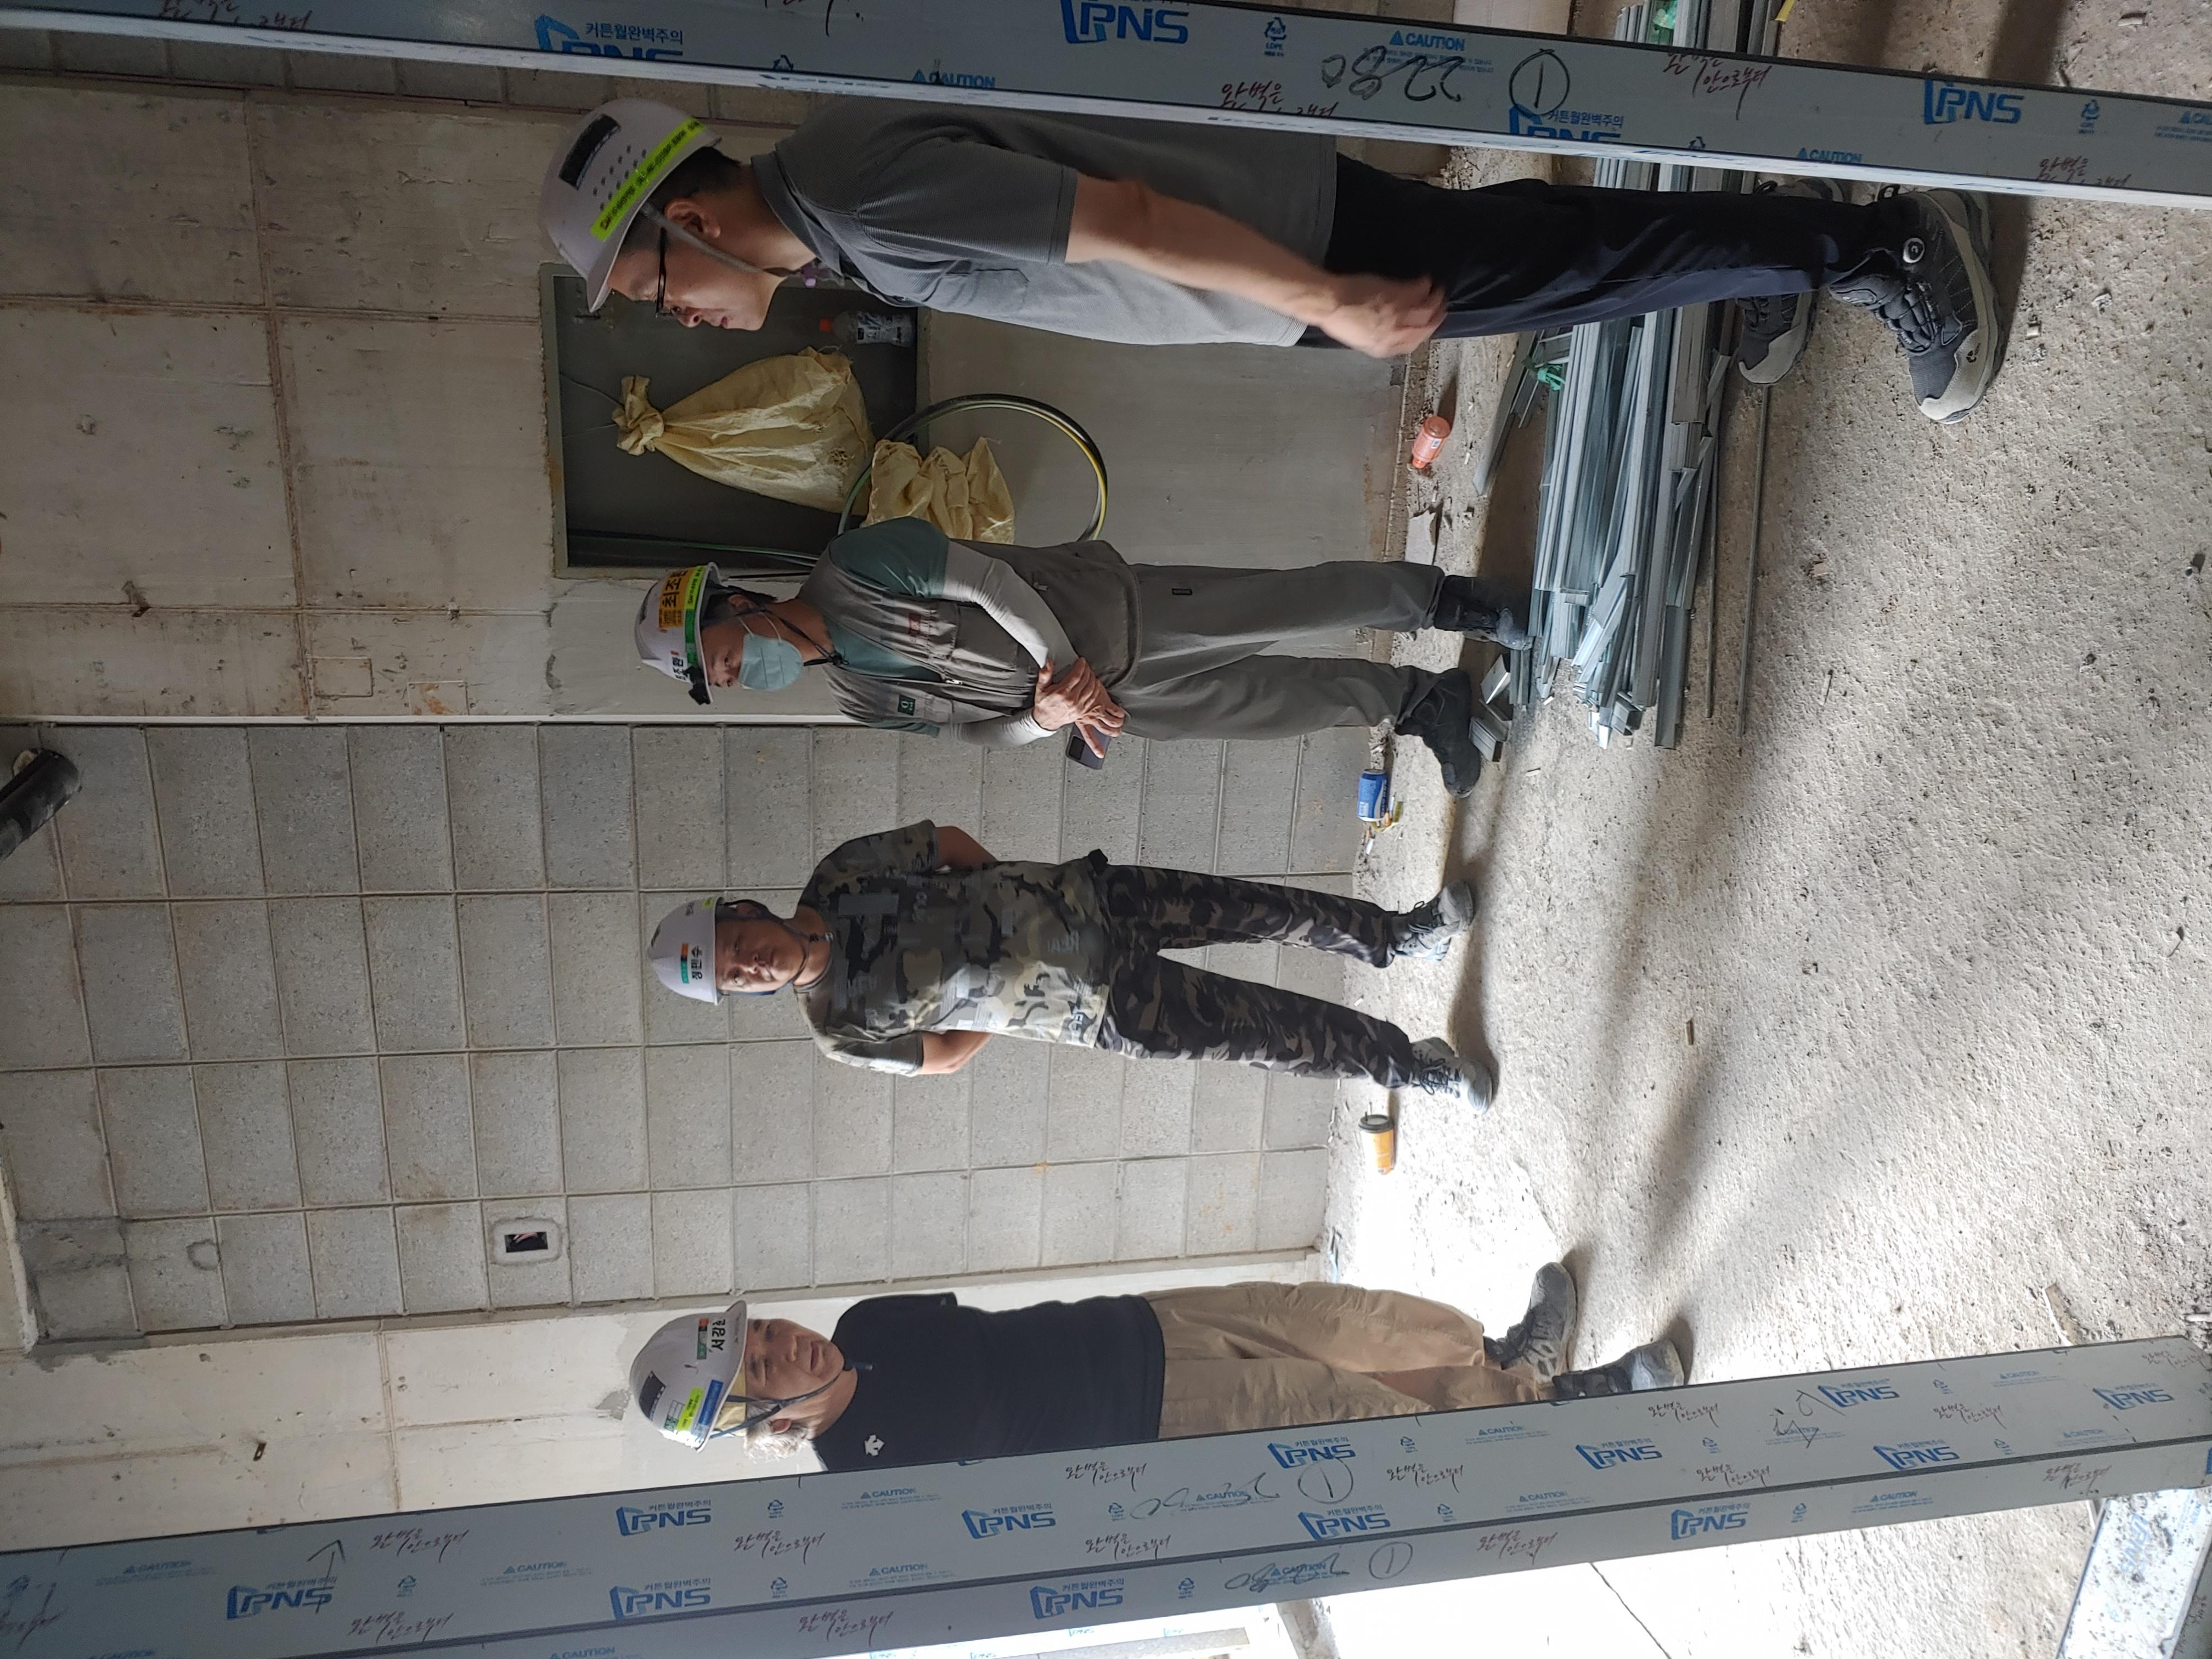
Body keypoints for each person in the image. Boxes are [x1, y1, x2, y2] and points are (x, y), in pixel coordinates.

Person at [541, 97, 2001, 424]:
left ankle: (1876, 244)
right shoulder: (838, 187)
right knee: (1562, 256)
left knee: (1581, 269)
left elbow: (1125, 220)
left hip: (1293, 251)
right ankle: (1779, 249)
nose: (691, 323)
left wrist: (1327, 300)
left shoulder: (868, 207)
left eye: (660, 294)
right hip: (1279, 254)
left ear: (692, 223)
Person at [634, 518, 1525, 797]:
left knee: (1288, 603)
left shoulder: (853, 566)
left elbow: (987, 581)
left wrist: (1066, 671)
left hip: (1115, 618)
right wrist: (1042, 717)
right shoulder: (856, 696)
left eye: (717, 657)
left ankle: (1454, 602)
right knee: (1269, 705)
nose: (731, 676)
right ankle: (1421, 702)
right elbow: (970, 736)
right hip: (1101, 704)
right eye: (716, 683)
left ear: (736, 604)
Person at [648, 817, 1496, 1107]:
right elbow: (941, 1058)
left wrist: (1014, 897)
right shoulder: (837, 1029)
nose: (749, 964)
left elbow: (943, 844)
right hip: (1099, 1008)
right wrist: (1003, 1001)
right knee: (1272, 1035)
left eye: (735, 946)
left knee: (1261, 909)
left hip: (1095, 899)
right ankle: (1413, 1066)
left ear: (743, 912)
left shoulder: (838, 875)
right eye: (733, 977)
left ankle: (1397, 936)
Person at [626, 1265, 1688, 1470]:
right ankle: (1571, 1408)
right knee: (1355, 1410)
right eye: (765, 1366)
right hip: (1156, 1417)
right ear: (764, 1422)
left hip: (1142, 1322)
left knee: (1352, 1323)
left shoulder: (868, 1321)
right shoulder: (866, 1477)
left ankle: (1503, 1361)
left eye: (766, 1331)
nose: (787, 1344)